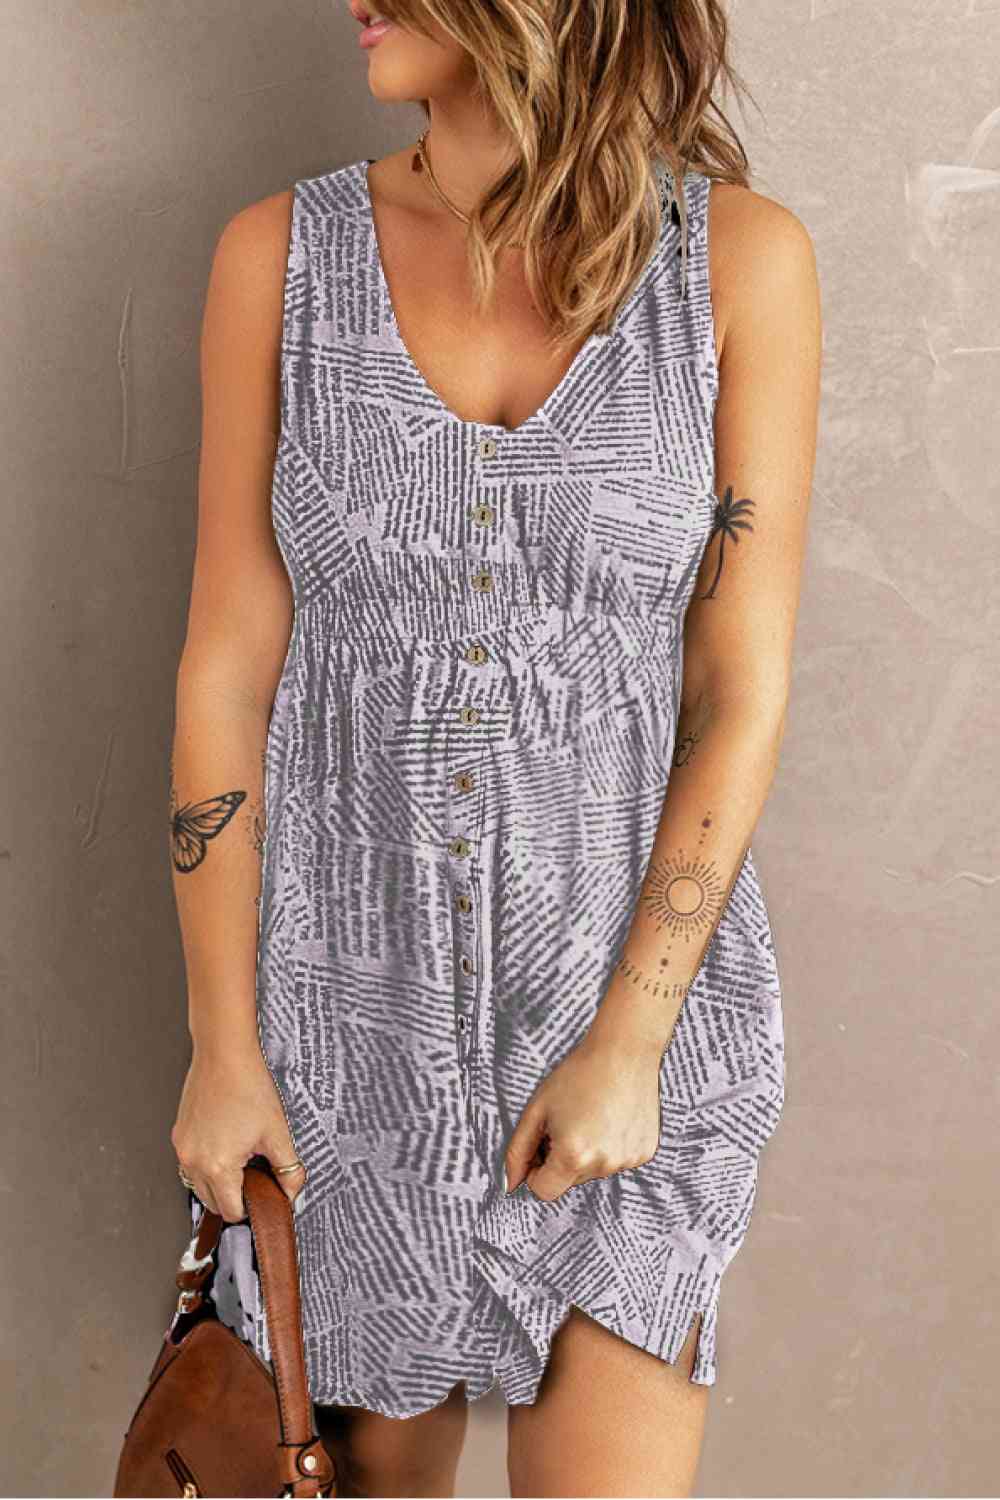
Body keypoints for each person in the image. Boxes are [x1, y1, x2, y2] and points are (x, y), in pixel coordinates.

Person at [168, 1, 821, 1494]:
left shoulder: (738, 263)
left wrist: (632, 1045)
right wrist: (223, 1049)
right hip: (344, 1041)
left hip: (627, 1024)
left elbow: (738, 690)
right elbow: (226, 671)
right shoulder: (279, 259)